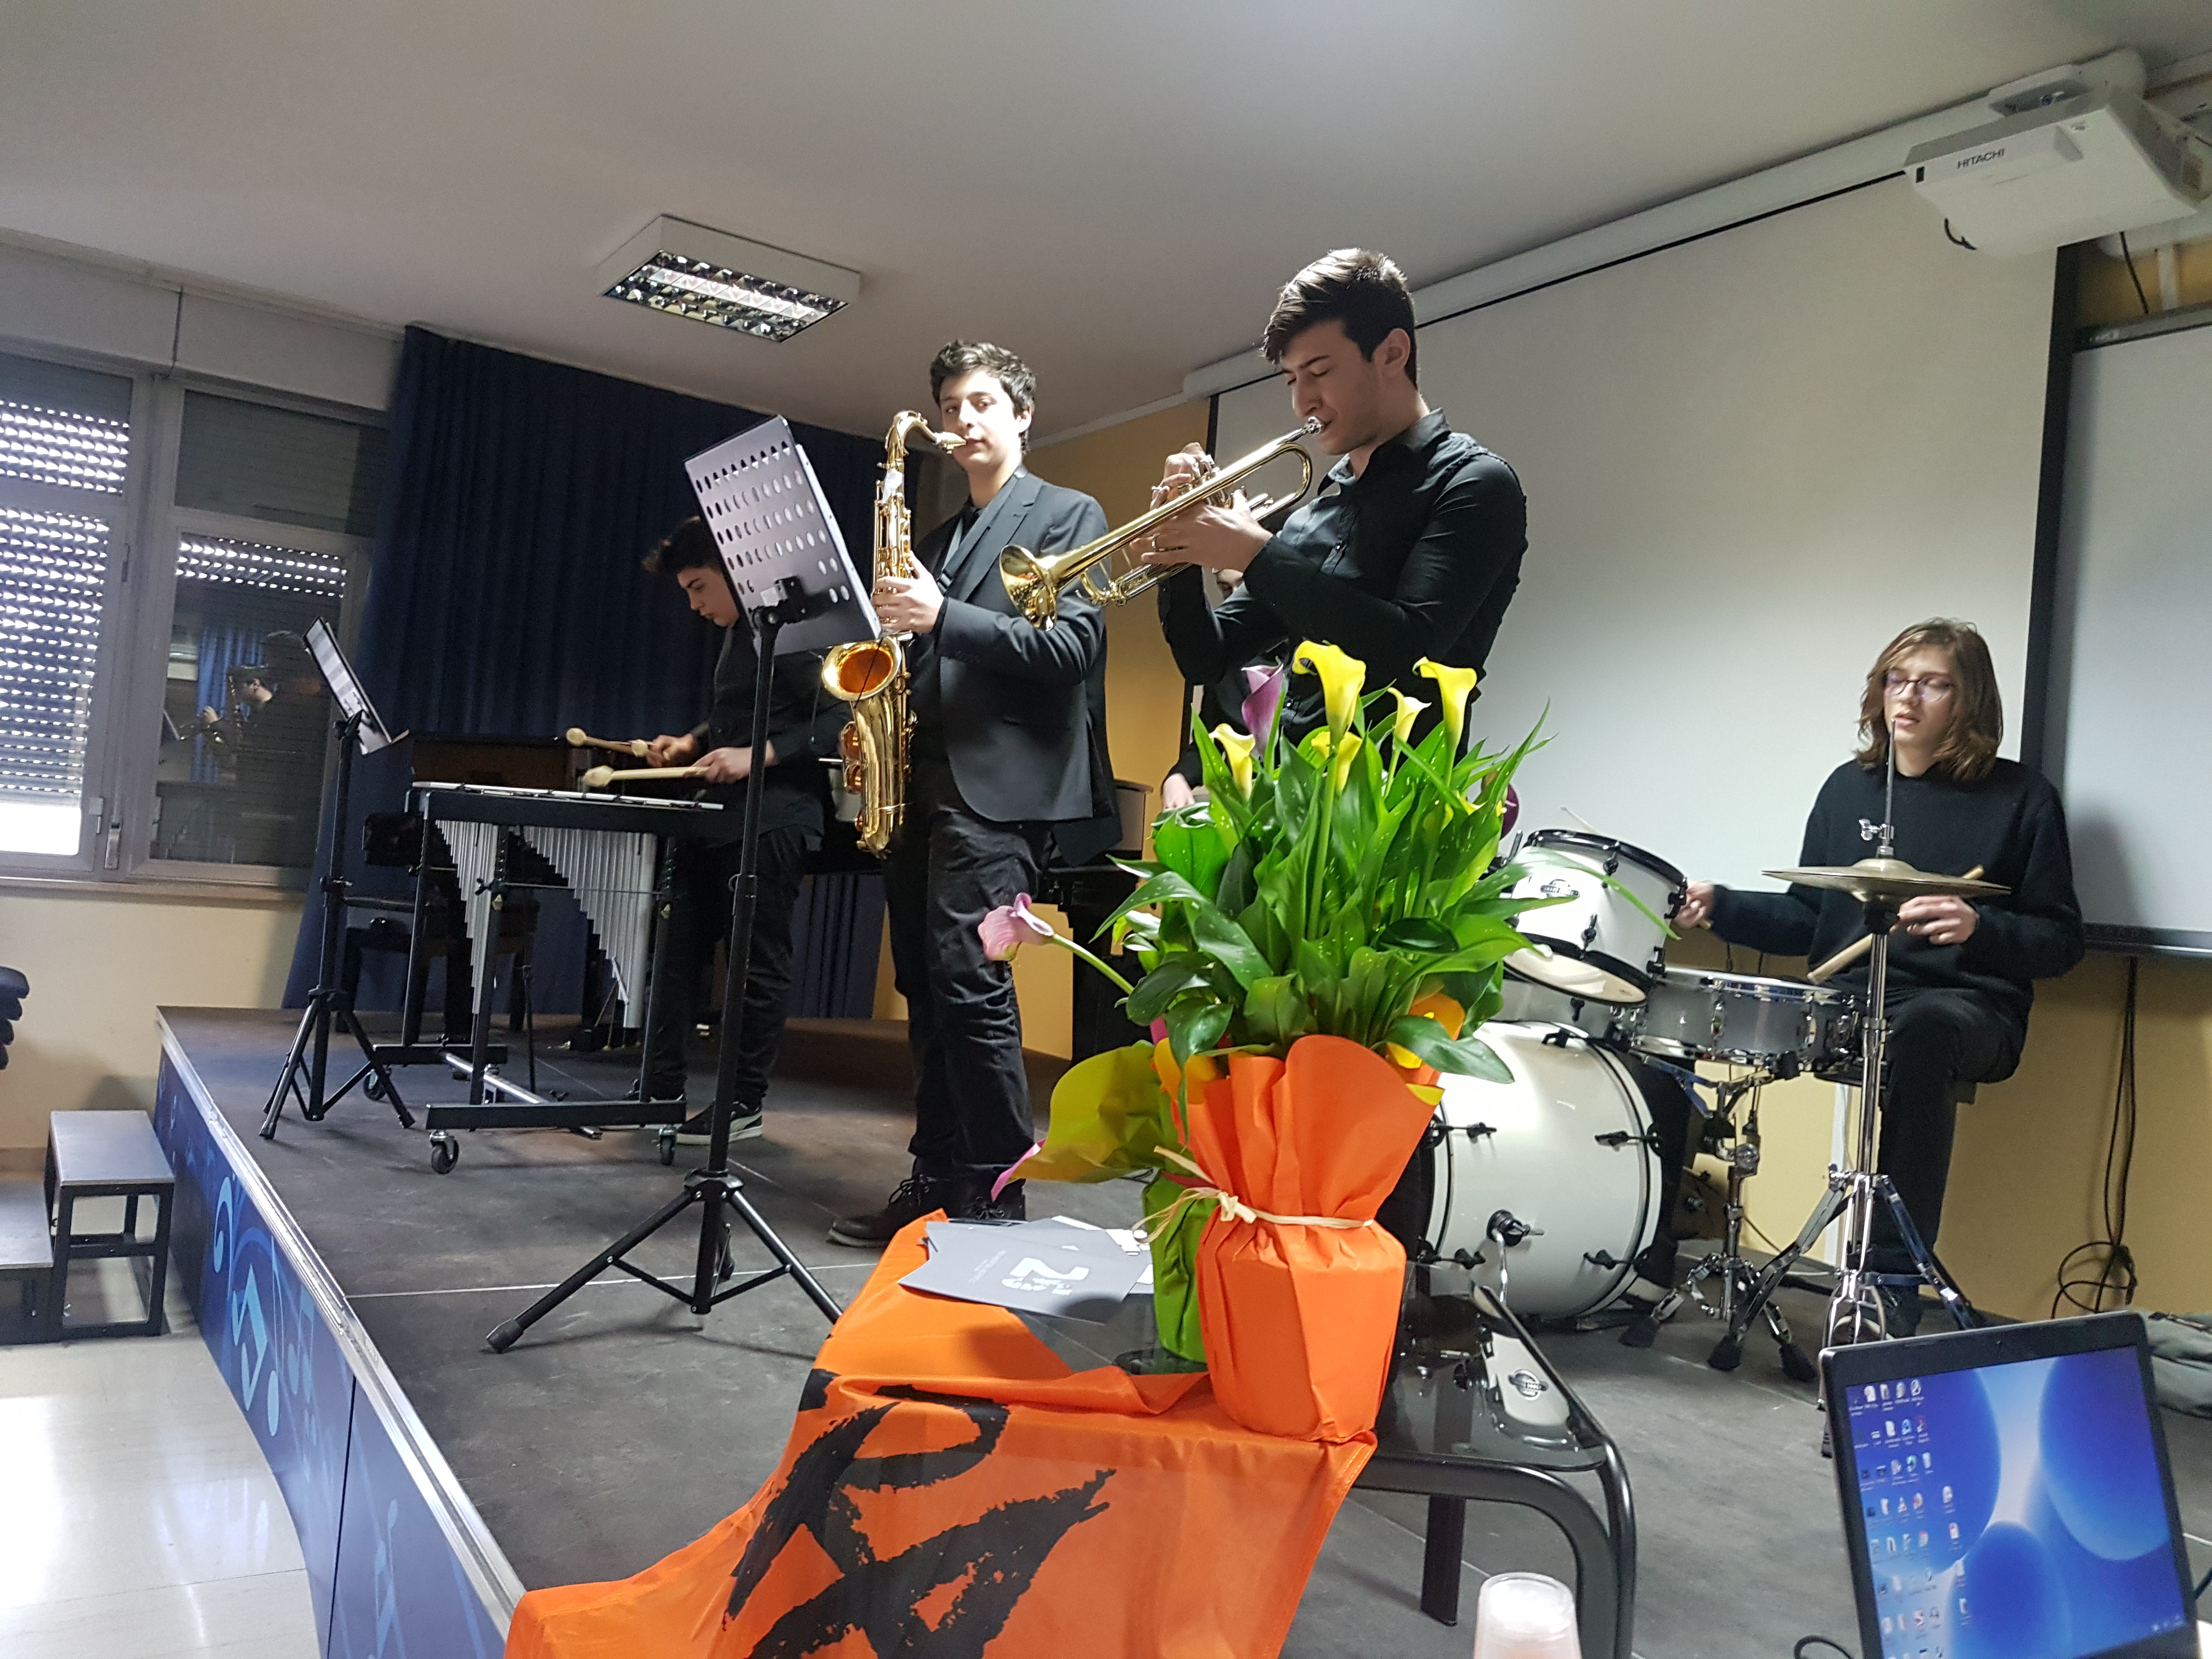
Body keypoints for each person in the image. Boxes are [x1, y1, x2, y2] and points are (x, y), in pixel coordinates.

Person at [1672, 618, 2083, 1327]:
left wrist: (1980, 928)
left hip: (1967, 1007)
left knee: (1923, 1027)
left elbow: (2062, 941)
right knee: (1677, 1017)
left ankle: (1891, 1281)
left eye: (1933, 684)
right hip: (1853, 1001)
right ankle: (1647, 1251)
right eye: (1897, 680)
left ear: (1970, 700)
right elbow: (1808, 920)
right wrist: (1722, 907)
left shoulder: (2022, 797)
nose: (1908, 697)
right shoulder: (1850, 789)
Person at [828, 341, 1112, 1247]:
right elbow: (919, 658)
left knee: (970, 983)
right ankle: (937, 1176)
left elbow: (1072, 651)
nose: (962, 421)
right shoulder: (939, 541)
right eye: (951, 406)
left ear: (1023, 414)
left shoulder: (1068, 513)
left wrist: (944, 615)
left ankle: (995, 1198)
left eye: (982, 402)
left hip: (1000, 792)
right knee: (925, 983)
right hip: (921, 783)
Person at [1147, 248, 1525, 749]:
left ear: (1392, 353)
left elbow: (1407, 651)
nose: (1302, 401)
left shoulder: (1474, 483)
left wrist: (1253, 553)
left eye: (1319, 372)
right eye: (1292, 379)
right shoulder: (1313, 516)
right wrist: (1177, 551)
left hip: (1396, 795)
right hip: (1293, 790)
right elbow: (1208, 659)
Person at [637, 518, 845, 1142]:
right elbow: (740, 714)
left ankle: (743, 1102)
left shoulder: (796, 633)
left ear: (734, 572)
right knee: (677, 955)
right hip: (718, 815)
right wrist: (692, 742)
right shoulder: (739, 634)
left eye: (699, 588)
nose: (695, 606)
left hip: (777, 816)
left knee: (757, 965)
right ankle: (659, 1091)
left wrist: (758, 756)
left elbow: (840, 718)